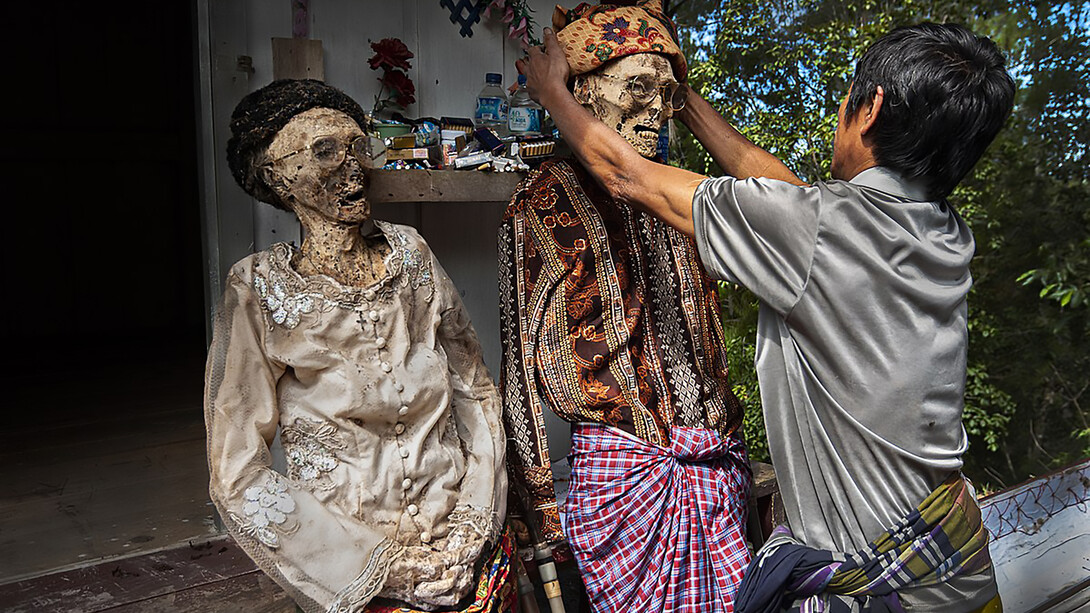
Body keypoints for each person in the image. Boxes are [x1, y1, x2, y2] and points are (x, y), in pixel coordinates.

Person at [518, 20, 1014, 613]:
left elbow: (628, 176)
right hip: (955, 563)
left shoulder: (819, 230)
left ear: (871, 106)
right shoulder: (938, 231)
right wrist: (686, 102)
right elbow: (777, 186)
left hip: (888, 591)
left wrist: (551, 93)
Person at [205, 79, 514, 613]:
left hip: (463, 545)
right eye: (326, 152)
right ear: (277, 177)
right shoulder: (256, 287)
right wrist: (382, 568)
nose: (354, 166)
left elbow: (473, 388)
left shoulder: (411, 253)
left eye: (357, 146)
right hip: (355, 564)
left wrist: (475, 520)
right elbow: (238, 472)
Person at [500, 2, 751, 611]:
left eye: (667, 94)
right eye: (636, 87)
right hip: (625, 482)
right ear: (584, 93)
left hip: (713, 468)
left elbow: (708, 337)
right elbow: (520, 366)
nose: (655, 110)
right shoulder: (543, 200)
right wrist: (541, 505)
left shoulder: (681, 194)